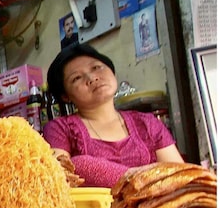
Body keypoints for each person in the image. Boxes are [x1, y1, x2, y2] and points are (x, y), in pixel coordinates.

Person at [42, 43, 183, 188]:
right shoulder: (59, 129)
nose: (92, 78)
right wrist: (145, 181)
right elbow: (60, 179)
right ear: (66, 96)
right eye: (77, 78)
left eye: (96, 67)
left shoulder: (148, 123)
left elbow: (181, 178)